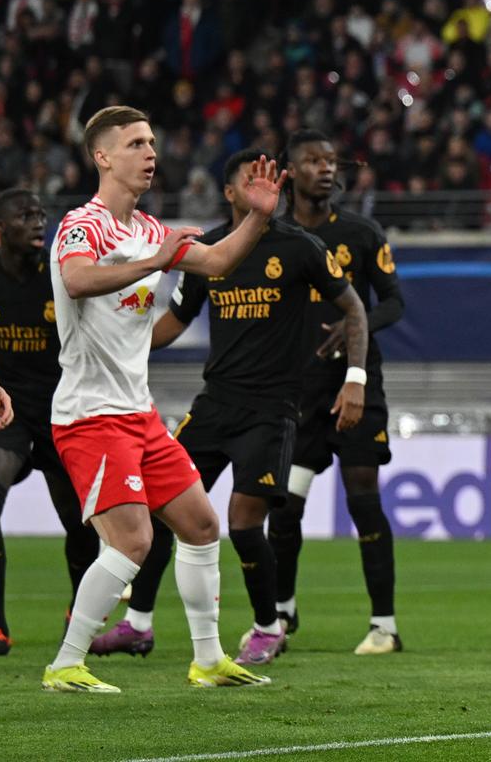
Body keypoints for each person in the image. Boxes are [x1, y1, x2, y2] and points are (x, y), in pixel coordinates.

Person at [42, 106, 283, 693]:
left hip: (138, 414)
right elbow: (76, 279)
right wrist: (154, 263)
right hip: (90, 415)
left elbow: (219, 262)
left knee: (201, 525)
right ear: (102, 157)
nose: (150, 153)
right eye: (135, 143)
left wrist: (255, 216)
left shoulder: (150, 228)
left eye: (152, 142)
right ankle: (65, 664)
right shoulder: (85, 223)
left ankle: (207, 659)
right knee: (133, 542)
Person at [99, 148, 368, 668]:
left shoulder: (299, 247)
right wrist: (114, 347)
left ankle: (269, 627)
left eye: (271, 179)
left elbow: (353, 306)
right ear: (229, 193)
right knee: (160, 510)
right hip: (215, 404)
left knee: (244, 523)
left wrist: (354, 379)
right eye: (252, 180)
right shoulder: (207, 251)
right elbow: (175, 322)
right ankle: (138, 625)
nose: (265, 186)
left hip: (272, 409)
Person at [271, 129, 407, 655]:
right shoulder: (273, 236)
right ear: (289, 171)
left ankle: (385, 626)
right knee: (284, 508)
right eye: (312, 160)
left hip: (356, 386)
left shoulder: (362, 232)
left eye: (331, 161)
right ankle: (281, 614)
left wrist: (355, 324)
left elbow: (394, 302)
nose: (326, 169)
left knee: (364, 503)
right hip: (298, 393)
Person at [0, 190, 99, 657]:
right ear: (1, 226)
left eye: (41, 215)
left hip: (61, 407)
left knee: (79, 522)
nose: (38, 222)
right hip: (4, 405)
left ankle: (76, 612)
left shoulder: (61, 272)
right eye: (26, 216)